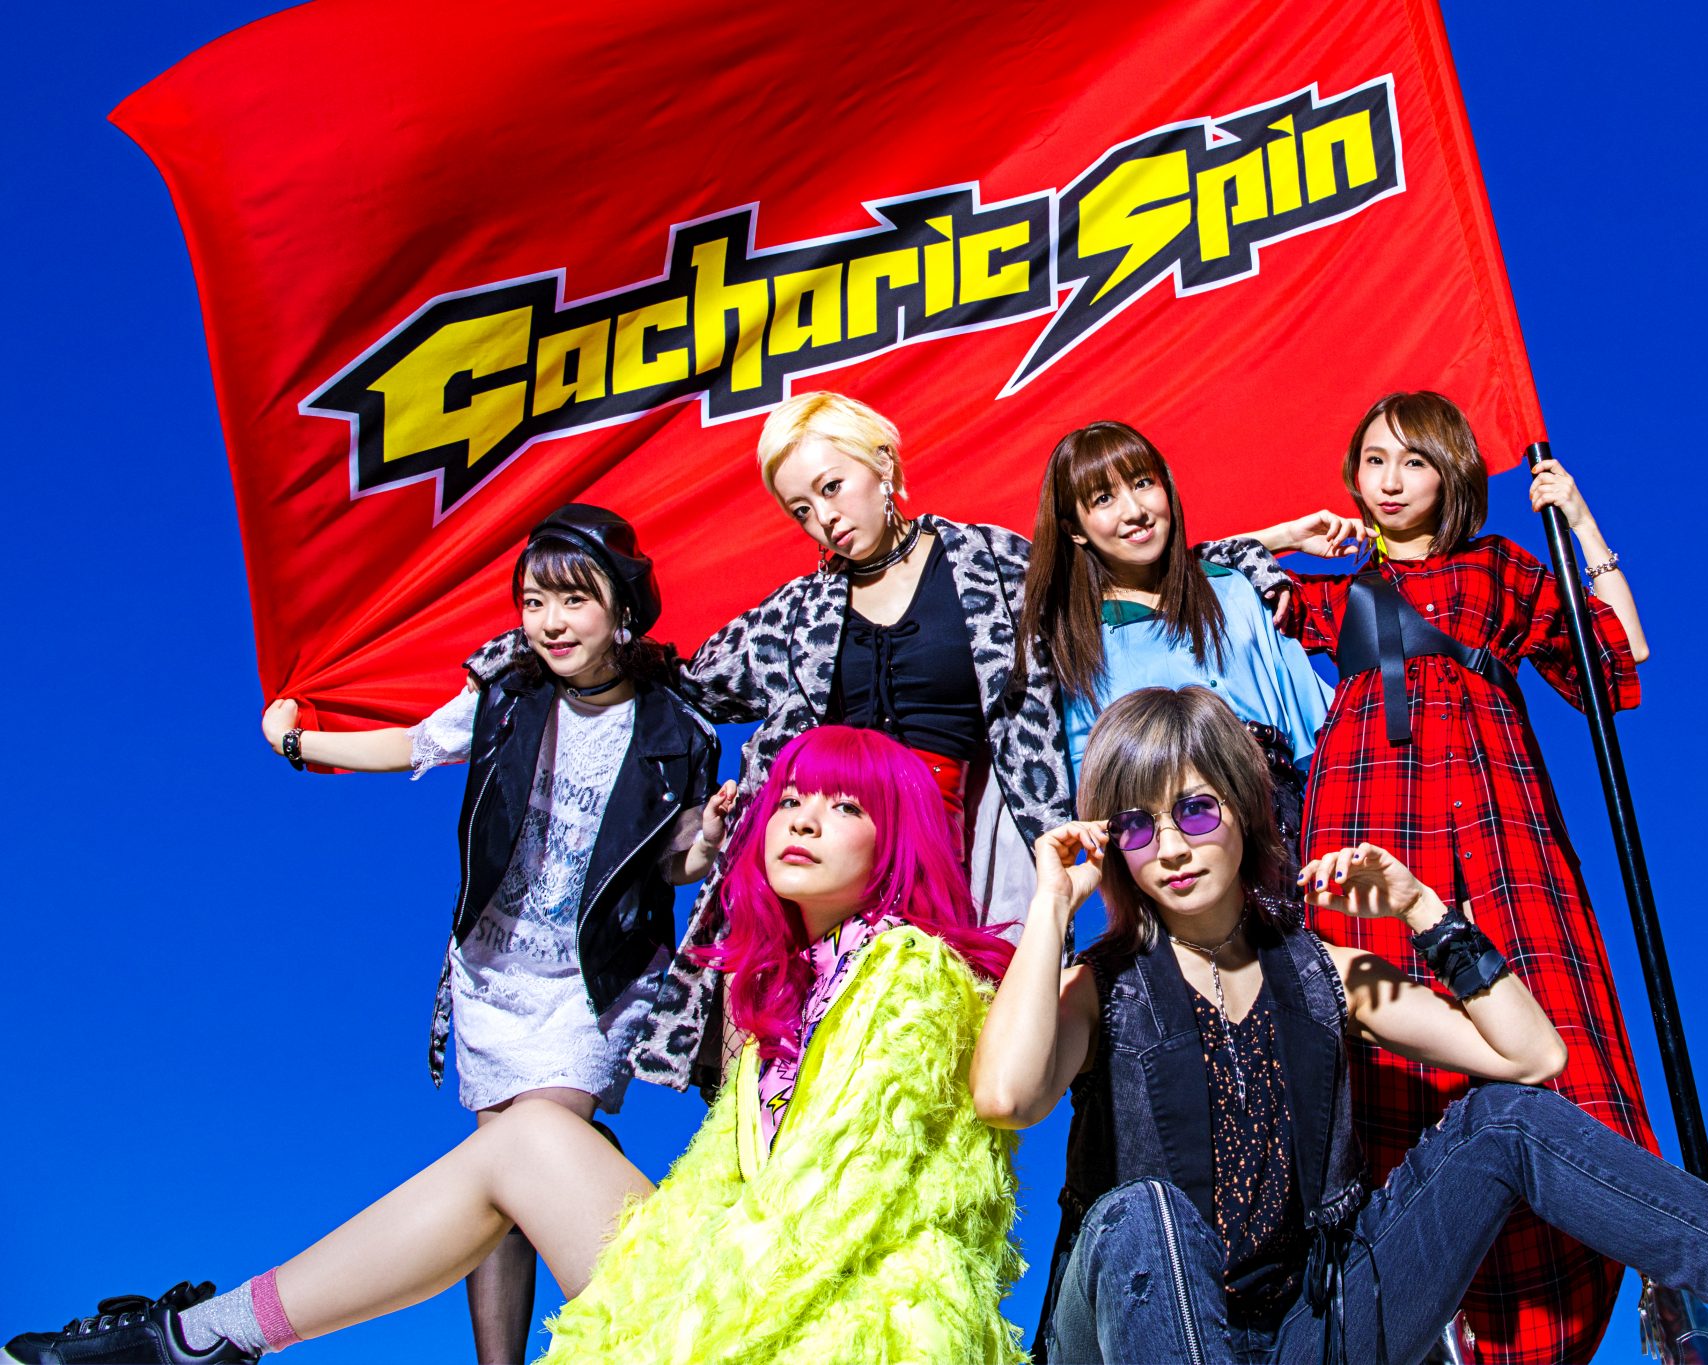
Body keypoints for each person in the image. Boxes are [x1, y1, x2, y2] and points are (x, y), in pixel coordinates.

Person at [969, 685, 1708, 1365]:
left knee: (1501, 1122)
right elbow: (1007, 1095)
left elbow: (1529, 1058)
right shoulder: (1100, 985)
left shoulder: (1324, 973)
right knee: (1141, 1214)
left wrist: (1425, 913)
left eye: (1196, 809)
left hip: (1307, 1331)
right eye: (1139, 826)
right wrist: (1054, 906)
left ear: (1245, 817)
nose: (1171, 845)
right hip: (1132, 1331)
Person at [5, 727, 1026, 1365]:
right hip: (742, 1275)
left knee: (530, 1141)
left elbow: (838, 1214)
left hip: (841, 1326)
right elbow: (720, 1188)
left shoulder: (911, 973)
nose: (800, 820)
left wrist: (663, 1325)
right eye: (790, 800)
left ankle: (198, 1341)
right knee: (529, 1134)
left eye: (844, 807)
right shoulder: (782, 992)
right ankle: (205, 1337)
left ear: (893, 838)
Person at [466, 393, 1291, 1095]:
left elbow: (1123, 563)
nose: (824, 518)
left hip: (948, 855)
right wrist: (539, 647)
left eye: (832, 487)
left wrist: (1256, 556)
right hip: (828, 857)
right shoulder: (797, 612)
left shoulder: (991, 564)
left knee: (941, 1072)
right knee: (792, 1077)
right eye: (801, 509)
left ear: (885, 465)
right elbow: (679, 681)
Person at [255, 504, 724, 1365]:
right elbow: (413, 745)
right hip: (493, 972)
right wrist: (297, 742)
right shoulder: (507, 694)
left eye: (574, 600)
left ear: (622, 606)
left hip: (591, 982)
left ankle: (648, 1333)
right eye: (534, 602)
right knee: (502, 1164)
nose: (551, 622)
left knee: (533, 1142)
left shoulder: (674, 727)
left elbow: (669, 863)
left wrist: (711, 837)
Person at [1277, 391, 1657, 1361]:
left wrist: (1578, 519)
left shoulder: (1499, 567)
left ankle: (1643, 1255)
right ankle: (1419, 1301)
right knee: (1384, 1043)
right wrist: (1288, 536)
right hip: (1365, 815)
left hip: (1494, 817)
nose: (1389, 480)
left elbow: (1618, 665)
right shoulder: (1329, 593)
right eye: (1372, 460)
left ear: (1450, 474)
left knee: (1550, 1028)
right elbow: (1189, 582)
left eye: (1413, 461)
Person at [1014, 418, 1361, 863]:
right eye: (1103, 498)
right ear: (1074, 529)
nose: (1134, 510)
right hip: (1171, 855)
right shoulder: (1075, 643)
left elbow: (1322, 732)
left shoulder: (1235, 588)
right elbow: (1097, 796)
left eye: (1143, 483)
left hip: (1285, 839)